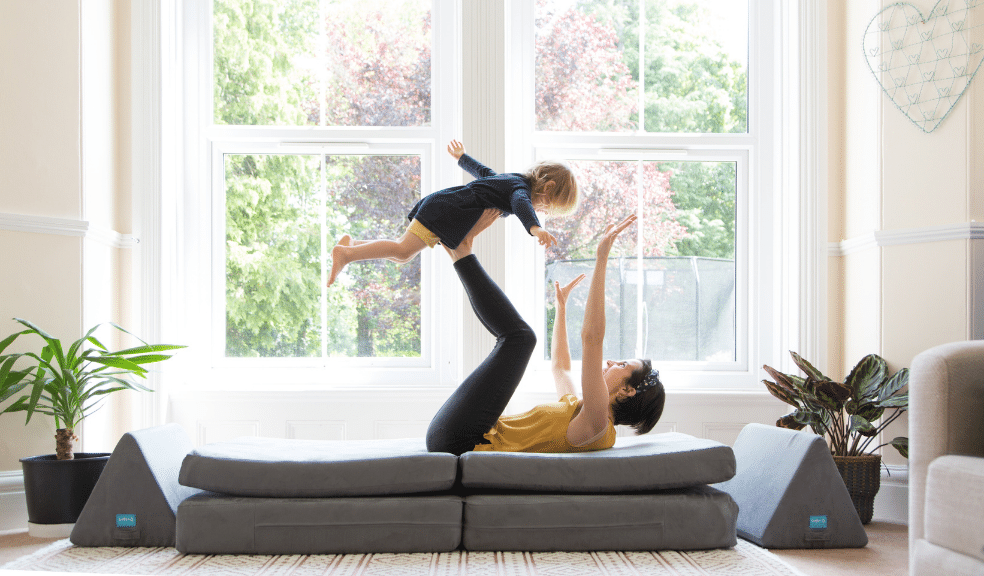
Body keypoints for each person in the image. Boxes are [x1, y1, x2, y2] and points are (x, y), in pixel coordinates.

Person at [426, 210, 665, 455]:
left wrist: (602, 258)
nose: (612, 361)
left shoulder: (597, 425)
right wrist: (561, 309)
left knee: (520, 338)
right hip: (459, 433)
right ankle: (459, 250)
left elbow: (592, 339)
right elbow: (560, 367)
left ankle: (462, 252)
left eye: (623, 364)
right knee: (520, 338)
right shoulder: (577, 409)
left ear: (627, 390)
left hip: (464, 441)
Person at [327, 140, 578, 287]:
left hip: (444, 206)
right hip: (445, 211)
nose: (542, 210)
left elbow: (484, 172)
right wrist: (535, 228)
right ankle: (346, 254)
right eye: (547, 206)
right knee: (403, 250)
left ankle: (353, 245)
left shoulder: (510, 181)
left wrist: (462, 158)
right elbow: (522, 204)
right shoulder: (519, 190)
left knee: (402, 255)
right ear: (547, 187)